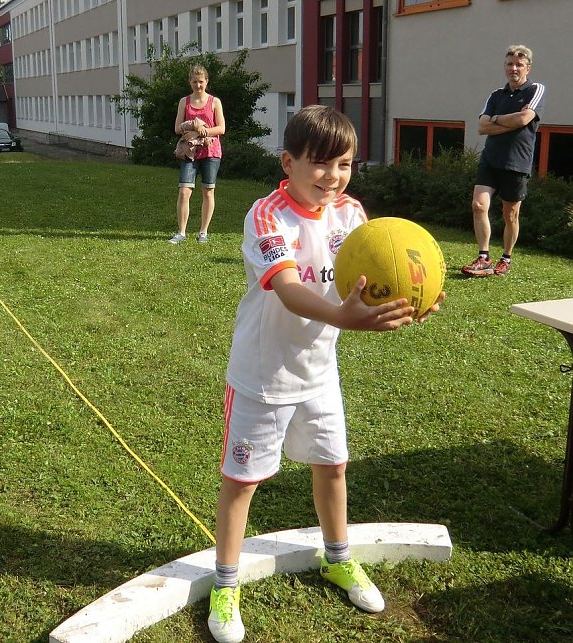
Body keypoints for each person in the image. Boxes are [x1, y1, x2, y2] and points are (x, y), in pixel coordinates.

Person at [207, 105, 443, 643]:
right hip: (262, 376)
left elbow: (375, 280)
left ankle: (337, 557)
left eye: (344, 164)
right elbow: (289, 288)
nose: (332, 177)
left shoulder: (353, 214)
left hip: (319, 373)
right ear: (287, 163)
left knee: (333, 468)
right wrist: (344, 316)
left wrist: (410, 301)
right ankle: (226, 583)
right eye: (319, 165)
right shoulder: (266, 216)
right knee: (243, 483)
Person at [462, 44, 546, 277]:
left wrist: (496, 120)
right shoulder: (495, 95)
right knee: (478, 205)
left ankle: (506, 258)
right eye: (509, 64)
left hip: (516, 163)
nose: (513, 68)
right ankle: (483, 257)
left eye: (519, 64)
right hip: (490, 160)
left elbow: (524, 119)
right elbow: (481, 127)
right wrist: (507, 121)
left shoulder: (535, 90)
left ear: (528, 68)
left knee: (510, 214)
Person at [168, 64, 225, 244]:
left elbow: (221, 128)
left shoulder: (214, 102)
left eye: (201, 82)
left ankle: (203, 232)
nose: (198, 85)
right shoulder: (184, 102)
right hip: (190, 152)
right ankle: (181, 232)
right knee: (184, 191)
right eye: (195, 82)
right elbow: (177, 128)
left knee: (208, 191)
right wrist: (193, 125)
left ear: (206, 82)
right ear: (190, 82)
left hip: (211, 151)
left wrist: (201, 132)